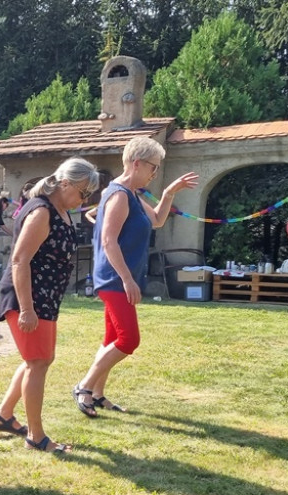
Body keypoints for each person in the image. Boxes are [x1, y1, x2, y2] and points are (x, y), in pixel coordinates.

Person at [72, 137, 198, 416]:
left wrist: (169, 192)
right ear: (137, 163)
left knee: (112, 338)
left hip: (118, 277)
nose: (155, 173)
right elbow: (109, 241)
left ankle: (97, 394)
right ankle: (84, 386)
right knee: (129, 340)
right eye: (154, 167)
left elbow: (158, 221)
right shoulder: (118, 195)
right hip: (114, 278)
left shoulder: (132, 194)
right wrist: (127, 279)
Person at [0, 158, 99, 453]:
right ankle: (36, 436)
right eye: (82, 192)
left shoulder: (60, 210)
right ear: (64, 183)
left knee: (39, 360)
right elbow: (19, 260)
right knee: (37, 363)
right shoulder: (41, 211)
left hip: (45, 297)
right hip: (29, 298)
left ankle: (4, 416)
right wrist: (26, 309)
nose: (84, 200)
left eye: (88, 195)